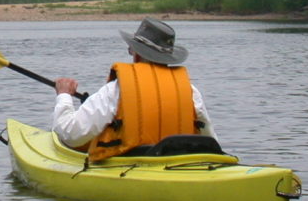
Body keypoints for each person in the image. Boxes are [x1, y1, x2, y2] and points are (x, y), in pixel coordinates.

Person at [52, 18, 216, 161]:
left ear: (136, 55)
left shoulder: (115, 90)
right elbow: (210, 142)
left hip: (130, 165)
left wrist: (64, 95)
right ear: (168, 58)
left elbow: (70, 134)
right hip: (179, 165)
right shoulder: (190, 91)